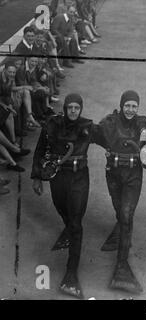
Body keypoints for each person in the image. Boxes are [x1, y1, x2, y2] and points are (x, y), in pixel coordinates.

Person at [31, 93, 101, 299]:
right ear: (64, 109)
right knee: (61, 208)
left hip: (79, 178)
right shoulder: (52, 125)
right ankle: (68, 228)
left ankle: (71, 274)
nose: (73, 111)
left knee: (76, 223)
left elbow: (111, 138)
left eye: (76, 108)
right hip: (58, 177)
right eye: (69, 108)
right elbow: (40, 149)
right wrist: (36, 177)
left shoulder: (88, 127)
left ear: (80, 109)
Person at [98, 90, 146, 294]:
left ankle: (122, 264)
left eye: (134, 106)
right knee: (119, 210)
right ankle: (118, 231)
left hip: (133, 176)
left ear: (138, 107)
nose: (130, 110)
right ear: (121, 106)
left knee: (127, 214)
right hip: (113, 174)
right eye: (127, 105)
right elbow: (95, 135)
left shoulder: (143, 124)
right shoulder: (110, 122)